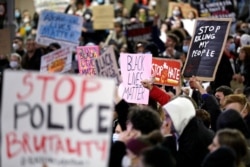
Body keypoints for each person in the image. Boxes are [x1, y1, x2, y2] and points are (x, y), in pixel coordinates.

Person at [163, 95, 214, 167]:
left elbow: (179, 163)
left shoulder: (194, 136)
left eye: (168, 116)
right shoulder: (191, 127)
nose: (165, 121)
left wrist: (167, 137)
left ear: (178, 115)